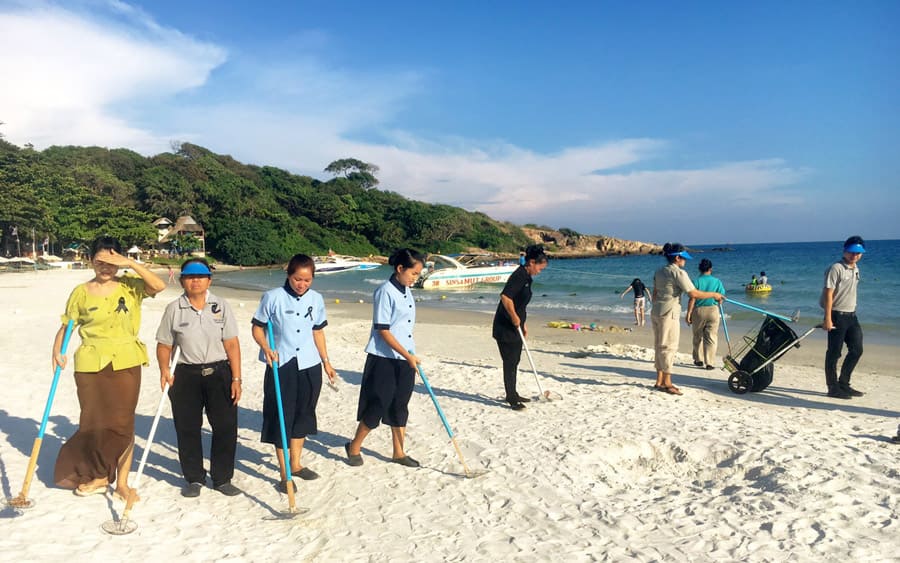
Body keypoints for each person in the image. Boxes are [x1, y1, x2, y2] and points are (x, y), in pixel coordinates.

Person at [52, 236, 166, 499]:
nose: (106, 267)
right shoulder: (80, 292)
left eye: (111, 262)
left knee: (123, 422)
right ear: (91, 260)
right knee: (92, 422)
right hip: (90, 362)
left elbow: (158, 285)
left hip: (126, 359)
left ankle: (122, 483)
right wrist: (58, 350)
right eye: (100, 261)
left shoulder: (130, 286)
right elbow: (68, 325)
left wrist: (130, 263)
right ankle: (100, 476)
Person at [156, 258, 243, 498]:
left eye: (200, 276)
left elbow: (232, 344)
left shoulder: (221, 306)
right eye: (190, 276)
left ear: (209, 280)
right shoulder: (174, 308)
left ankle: (222, 478)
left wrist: (237, 379)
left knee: (225, 426)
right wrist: (164, 369)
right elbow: (164, 344)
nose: (195, 280)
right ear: (183, 280)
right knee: (187, 428)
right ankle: (194, 477)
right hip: (185, 374)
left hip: (219, 373)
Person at [252, 254, 337, 487]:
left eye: (307, 280)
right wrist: (266, 347)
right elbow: (257, 328)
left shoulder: (317, 299)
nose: (302, 285)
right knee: (281, 417)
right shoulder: (272, 297)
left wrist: (326, 362)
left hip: (309, 365)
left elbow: (318, 332)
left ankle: (296, 463)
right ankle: (284, 473)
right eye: (298, 279)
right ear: (289, 275)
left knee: (303, 415)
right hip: (282, 364)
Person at [345, 248, 425, 467]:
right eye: (413, 274)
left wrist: (411, 355)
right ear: (400, 269)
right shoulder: (385, 291)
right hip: (384, 357)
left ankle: (398, 452)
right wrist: (405, 355)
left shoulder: (407, 291)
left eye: (418, 274)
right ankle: (354, 445)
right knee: (377, 404)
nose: (415, 278)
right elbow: (383, 329)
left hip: (406, 355)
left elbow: (404, 328)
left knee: (400, 404)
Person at [651, 243, 724, 395]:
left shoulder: (659, 271)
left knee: (659, 345)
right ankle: (667, 383)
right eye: (683, 258)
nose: (685, 261)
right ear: (677, 258)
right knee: (669, 347)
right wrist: (714, 295)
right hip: (669, 313)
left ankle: (659, 380)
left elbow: (655, 292)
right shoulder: (678, 273)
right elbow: (693, 294)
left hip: (657, 311)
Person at [492, 244, 550, 410]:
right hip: (505, 326)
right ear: (532, 262)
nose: (540, 271)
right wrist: (515, 318)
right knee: (510, 362)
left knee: (515, 361)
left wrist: (523, 324)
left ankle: (513, 393)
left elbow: (520, 304)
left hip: (516, 326)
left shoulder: (527, 277)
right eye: (540, 267)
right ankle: (511, 398)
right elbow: (506, 297)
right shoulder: (520, 275)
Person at [819, 236, 866, 399]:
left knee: (857, 350)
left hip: (852, 315)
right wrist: (827, 318)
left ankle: (844, 384)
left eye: (858, 253)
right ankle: (832, 387)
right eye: (851, 252)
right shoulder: (836, 268)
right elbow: (828, 293)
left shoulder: (856, 269)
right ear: (845, 251)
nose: (854, 256)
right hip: (836, 314)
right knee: (834, 353)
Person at [686, 259, 726, 370]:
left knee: (697, 336)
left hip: (699, 310)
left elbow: (692, 299)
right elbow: (720, 298)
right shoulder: (717, 281)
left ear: (700, 269)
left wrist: (688, 313)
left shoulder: (696, 281)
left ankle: (698, 359)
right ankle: (710, 362)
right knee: (711, 337)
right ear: (710, 269)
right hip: (713, 310)